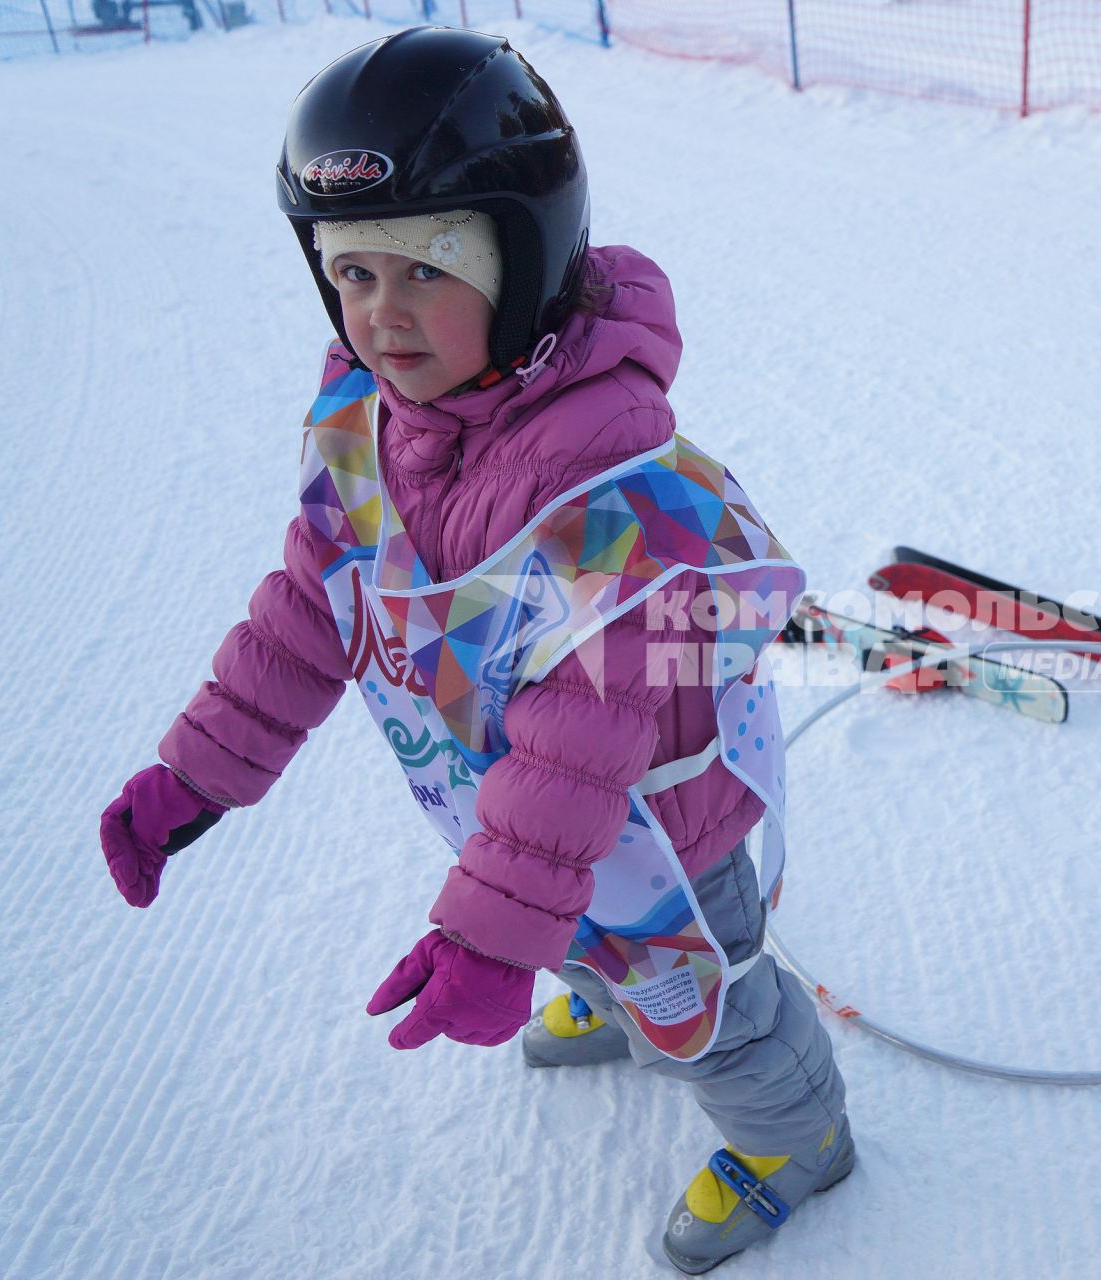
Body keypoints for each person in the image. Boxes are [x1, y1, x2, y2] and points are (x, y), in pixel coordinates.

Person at [95, 27, 850, 1274]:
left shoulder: (612, 484)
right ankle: (603, 984)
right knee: (591, 937)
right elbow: (309, 605)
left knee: (706, 1003)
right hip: (527, 818)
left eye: (425, 271)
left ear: (524, 257)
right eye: (351, 273)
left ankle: (795, 1136)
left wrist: (491, 936)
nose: (380, 318)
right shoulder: (372, 421)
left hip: (660, 819)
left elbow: (578, 744)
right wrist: (197, 773)